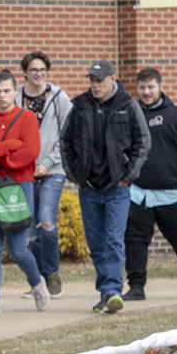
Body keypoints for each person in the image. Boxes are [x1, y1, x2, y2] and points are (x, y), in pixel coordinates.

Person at [62, 59, 151, 314]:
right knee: (97, 244)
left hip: (117, 187)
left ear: (113, 79)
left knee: (113, 239)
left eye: (99, 80)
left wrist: (129, 175)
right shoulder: (79, 106)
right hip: (88, 187)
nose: (95, 85)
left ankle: (112, 290)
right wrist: (75, 176)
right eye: (91, 80)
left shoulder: (128, 105)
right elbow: (65, 141)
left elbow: (143, 142)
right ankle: (106, 293)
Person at [126, 68, 177, 301]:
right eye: (142, 88)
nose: (146, 92)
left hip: (175, 193)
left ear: (160, 87)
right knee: (134, 240)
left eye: (151, 87)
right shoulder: (131, 115)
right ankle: (136, 286)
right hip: (138, 193)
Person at [0, 70, 48, 316]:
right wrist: (9, 148)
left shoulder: (26, 118)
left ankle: (37, 282)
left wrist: (1, 154)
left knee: (17, 249)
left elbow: (30, 152)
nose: (2, 95)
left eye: (6, 91)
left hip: (18, 186)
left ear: (16, 91)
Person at [17, 51, 72, 296]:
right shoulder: (16, 97)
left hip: (53, 170)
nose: (38, 74)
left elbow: (68, 135)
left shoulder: (58, 97)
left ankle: (52, 273)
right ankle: (38, 280)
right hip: (25, 172)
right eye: (33, 70)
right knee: (30, 228)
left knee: (47, 221)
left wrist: (47, 164)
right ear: (25, 72)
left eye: (42, 70)